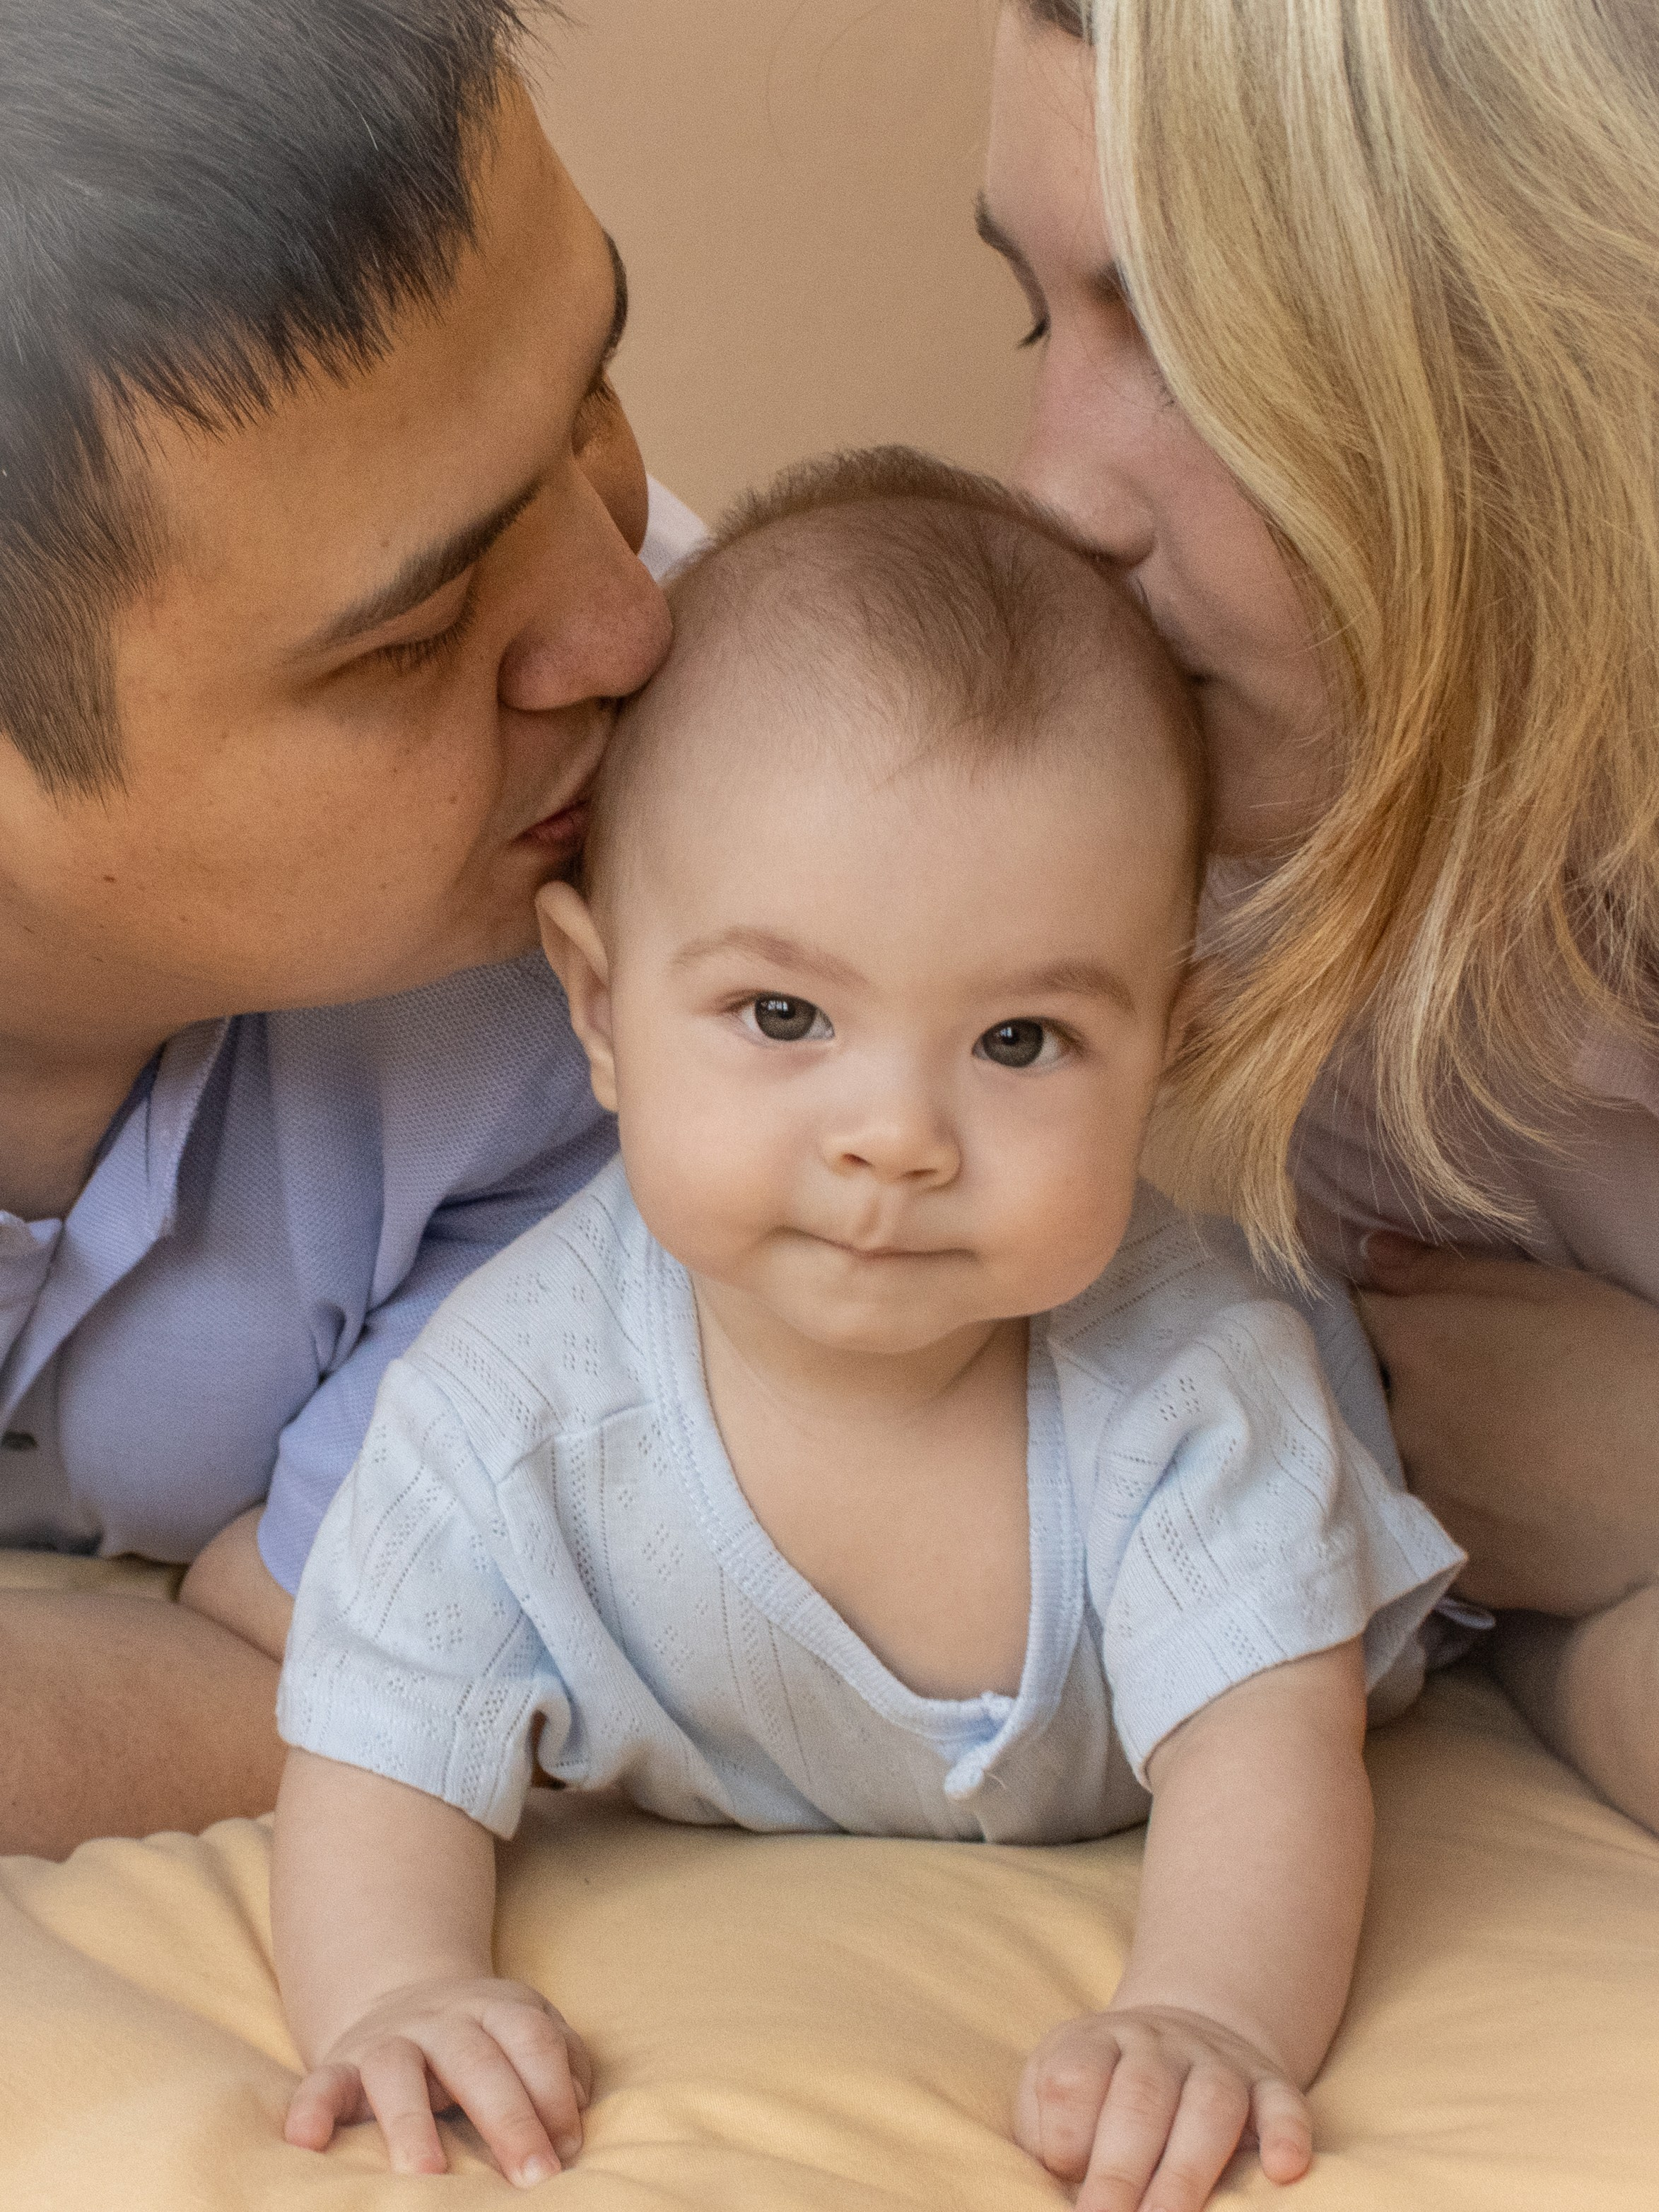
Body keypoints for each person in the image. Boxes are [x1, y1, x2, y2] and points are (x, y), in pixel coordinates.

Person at [269, 453, 1461, 2208]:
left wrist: (1208, 2007)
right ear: (598, 1002)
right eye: (782, 1014)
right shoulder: (507, 1407)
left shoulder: (1198, 1390)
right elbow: (378, 1740)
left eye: (1020, 1041)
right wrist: (397, 1983)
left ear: (1167, 1043)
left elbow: (1266, 1763)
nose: (894, 1135)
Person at [0, 0, 704, 1857]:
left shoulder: (719, 926)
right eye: (416, 636)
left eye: (593, 394)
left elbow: (353, 1681)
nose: (628, 626)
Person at [978, 0, 1659, 1828]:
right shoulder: (1299, 879)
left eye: (1185, 337)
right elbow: (1495, 1537)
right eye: (1037, 318)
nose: (1051, 489)